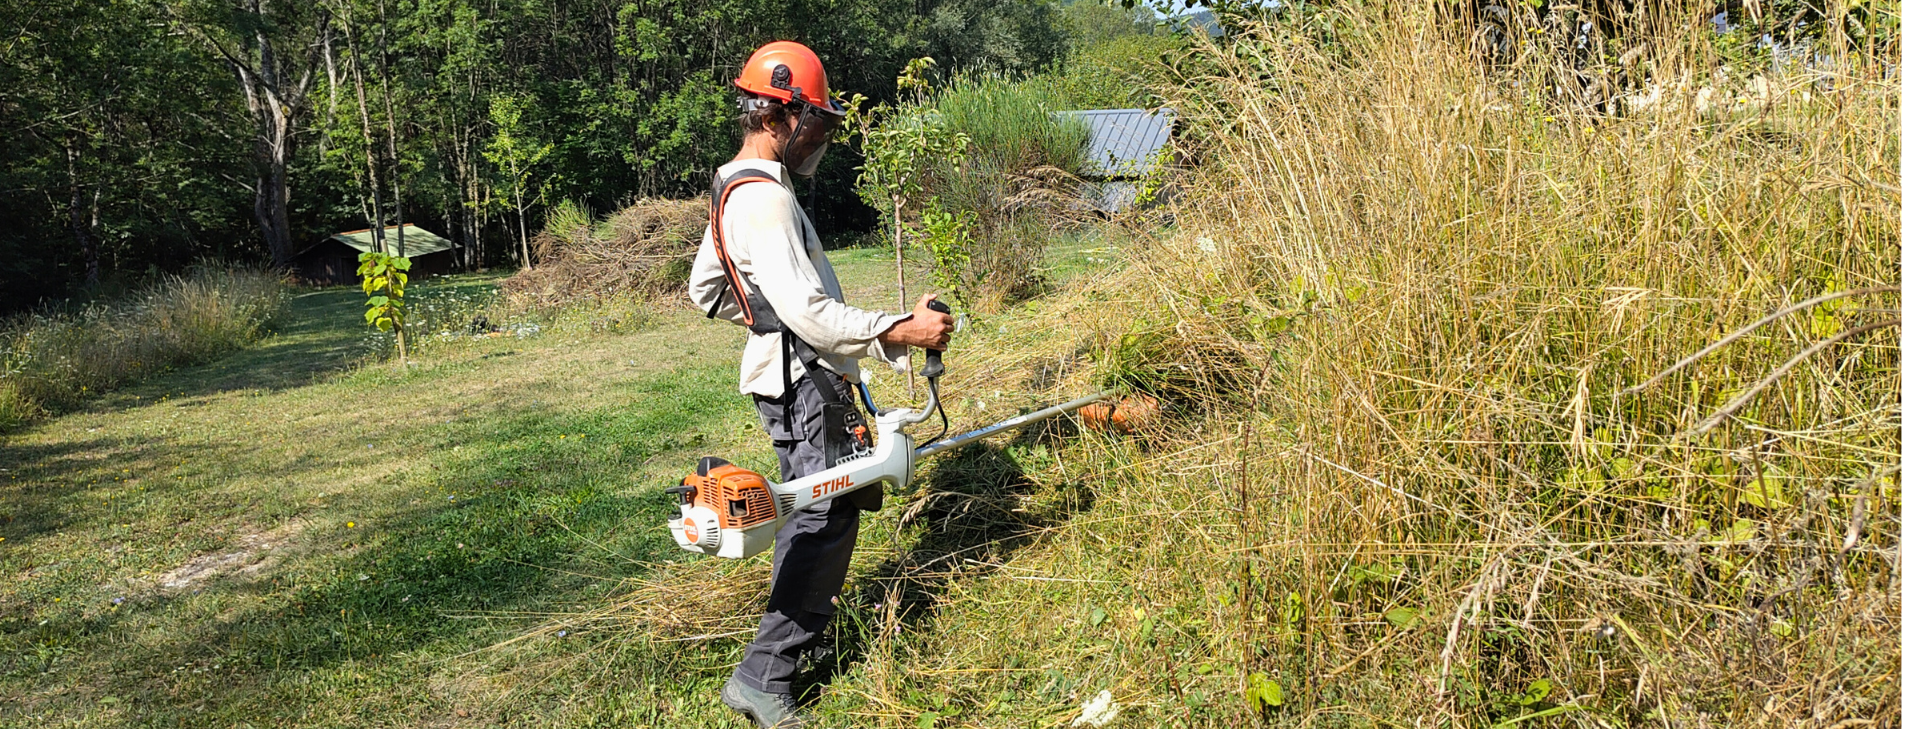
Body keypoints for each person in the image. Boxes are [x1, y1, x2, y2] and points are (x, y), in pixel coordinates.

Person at [688, 40, 954, 729]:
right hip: (806, 382)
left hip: (793, 375)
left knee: (823, 506)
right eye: (819, 124)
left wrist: (762, 315)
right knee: (822, 513)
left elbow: (707, 289)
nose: (822, 139)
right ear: (781, 114)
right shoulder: (766, 202)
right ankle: (764, 676)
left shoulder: (734, 186)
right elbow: (812, 315)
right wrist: (902, 328)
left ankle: (781, 653)